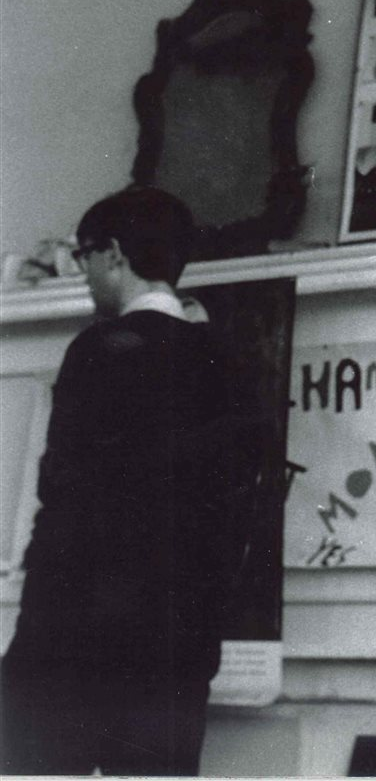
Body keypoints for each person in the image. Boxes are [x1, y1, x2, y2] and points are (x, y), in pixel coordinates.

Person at [1, 186, 250, 775]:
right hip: (179, 645)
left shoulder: (98, 350)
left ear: (113, 253)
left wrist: (26, 654)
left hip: (79, 639)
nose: (84, 273)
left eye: (85, 255)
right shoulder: (223, 356)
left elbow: (62, 499)